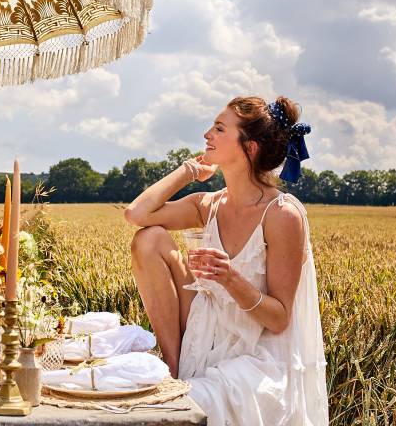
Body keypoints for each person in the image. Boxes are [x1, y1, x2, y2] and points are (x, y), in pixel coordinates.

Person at [125, 96, 328, 425]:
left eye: (219, 129)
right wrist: (187, 171)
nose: (207, 134)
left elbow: (278, 319)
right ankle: (174, 367)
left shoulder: (282, 215)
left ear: (249, 147)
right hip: (205, 333)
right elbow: (137, 214)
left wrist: (230, 277)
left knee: (185, 405)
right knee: (147, 239)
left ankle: (186, 387)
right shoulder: (209, 204)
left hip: (254, 353)